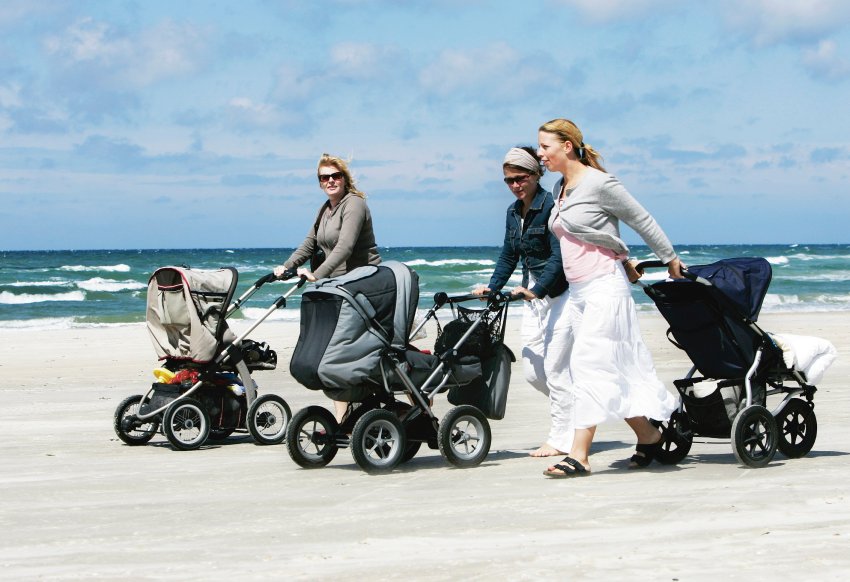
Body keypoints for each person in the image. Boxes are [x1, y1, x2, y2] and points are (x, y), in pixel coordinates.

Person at [536, 118, 682, 478]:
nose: (540, 155)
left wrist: (670, 259)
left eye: (545, 147)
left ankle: (580, 455)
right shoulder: (560, 187)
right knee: (614, 369)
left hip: (605, 287)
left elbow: (641, 219)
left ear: (566, 146)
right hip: (580, 291)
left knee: (587, 365)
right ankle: (649, 435)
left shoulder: (600, 184)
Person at [474, 146, 572, 458]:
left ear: (535, 174)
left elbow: (560, 255)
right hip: (532, 295)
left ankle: (561, 438)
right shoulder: (513, 212)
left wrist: (539, 288)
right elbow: (509, 254)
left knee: (556, 369)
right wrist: (493, 288)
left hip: (560, 294)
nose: (515, 185)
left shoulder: (551, 206)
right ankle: (576, 409)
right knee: (533, 371)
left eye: (520, 178)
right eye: (508, 180)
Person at [274, 153, 381, 421]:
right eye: (325, 177)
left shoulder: (354, 204)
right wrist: (286, 267)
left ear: (344, 178)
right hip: (338, 287)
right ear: (320, 182)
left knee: (342, 350)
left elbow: (344, 247)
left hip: (363, 283)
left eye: (335, 176)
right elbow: (309, 244)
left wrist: (316, 273)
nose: (331, 181)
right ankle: (343, 420)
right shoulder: (325, 209)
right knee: (335, 353)